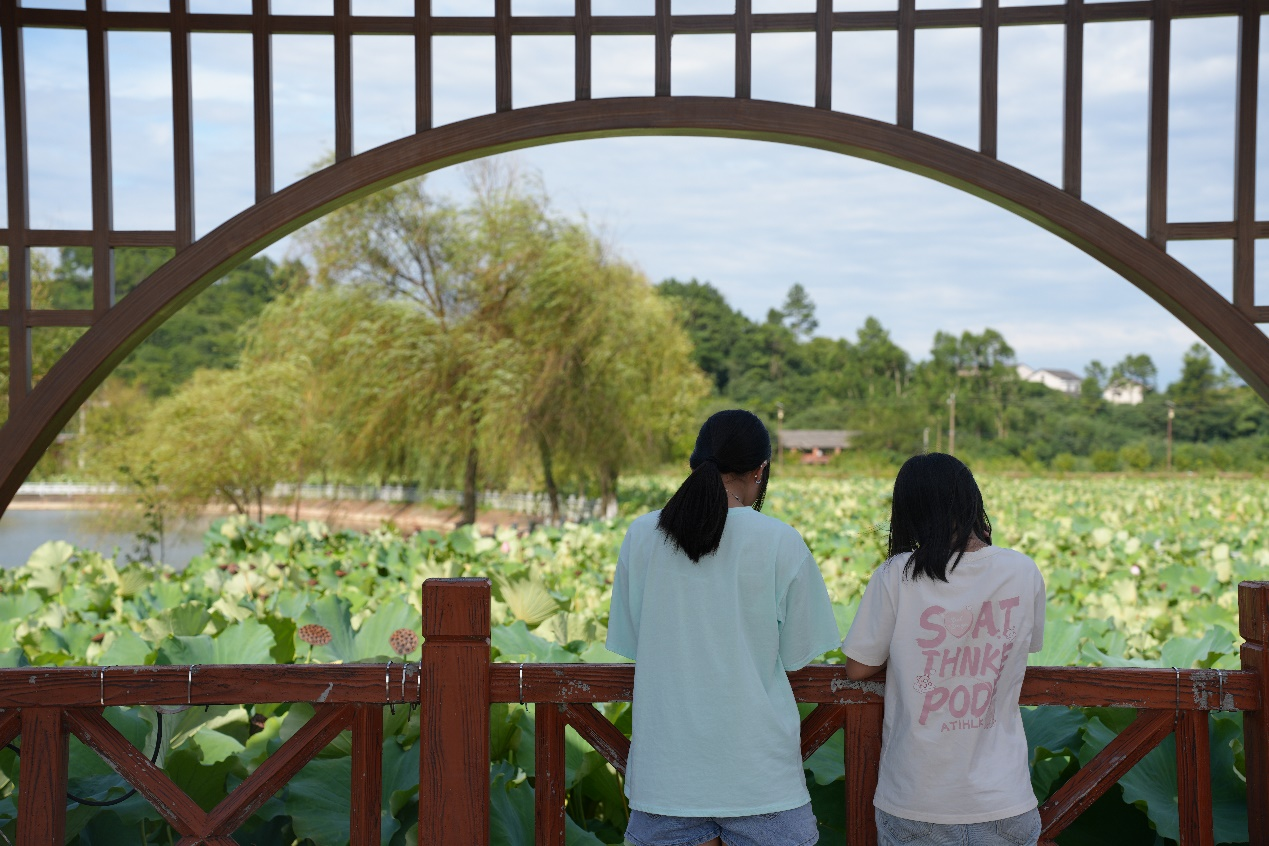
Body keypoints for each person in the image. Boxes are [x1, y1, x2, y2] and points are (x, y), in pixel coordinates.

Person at [606, 409, 841, 846]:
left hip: (665, 785)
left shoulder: (641, 536)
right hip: (761, 782)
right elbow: (798, 654)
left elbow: (632, 640)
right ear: (760, 470)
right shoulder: (780, 541)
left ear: (696, 464)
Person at [841, 453, 1046, 846]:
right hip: (1005, 800)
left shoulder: (896, 575)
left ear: (910, 512)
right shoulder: (1022, 570)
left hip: (918, 800)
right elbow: (1028, 645)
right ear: (972, 500)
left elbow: (858, 668)